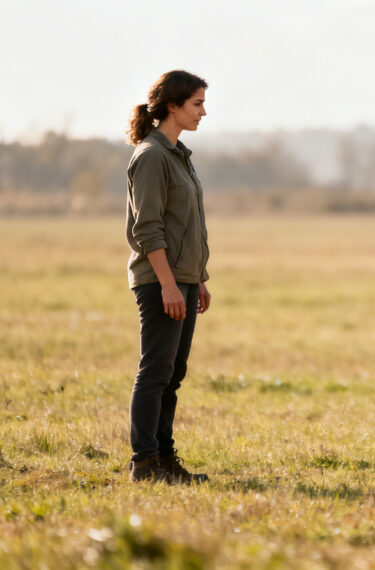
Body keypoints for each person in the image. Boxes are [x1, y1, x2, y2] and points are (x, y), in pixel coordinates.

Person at [124, 70, 211, 484]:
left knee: (173, 374)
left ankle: (165, 458)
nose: (203, 112)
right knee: (156, 372)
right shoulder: (152, 155)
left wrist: (199, 278)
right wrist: (169, 285)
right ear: (173, 105)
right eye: (196, 103)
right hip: (161, 281)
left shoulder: (178, 154)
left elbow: (187, 224)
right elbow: (148, 230)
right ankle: (144, 463)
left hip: (184, 279)